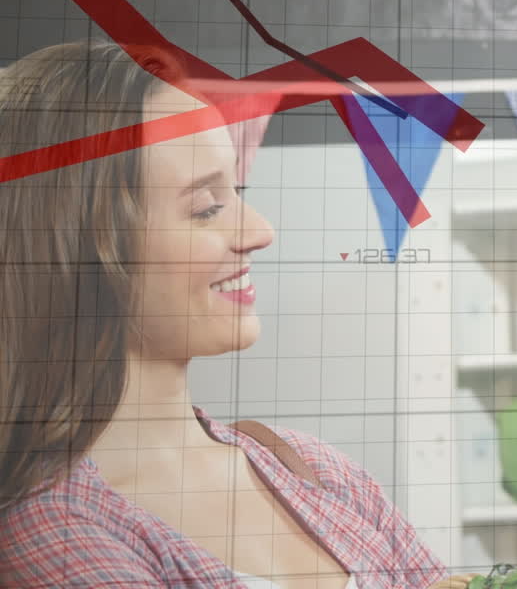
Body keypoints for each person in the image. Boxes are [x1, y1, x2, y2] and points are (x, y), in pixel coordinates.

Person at [0, 40, 448, 589]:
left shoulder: (319, 470)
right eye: (206, 208)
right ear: (80, 246)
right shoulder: (57, 534)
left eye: (236, 191)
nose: (259, 230)